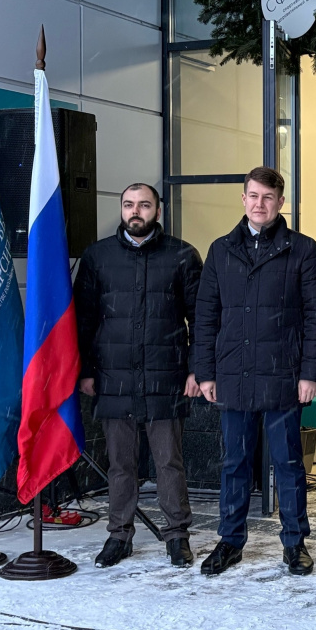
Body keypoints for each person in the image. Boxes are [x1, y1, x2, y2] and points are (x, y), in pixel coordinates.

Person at [193, 166, 316, 576]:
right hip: (233, 375)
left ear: (280, 202)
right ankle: (230, 541)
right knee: (234, 463)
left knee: (288, 463)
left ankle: (295, 543)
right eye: (253, 196)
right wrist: (205, 372)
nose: (259, 204)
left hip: (283, 376)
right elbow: (206, 317)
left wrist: (310, 373)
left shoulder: (303, 250)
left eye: (268, 197)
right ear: (243, 199)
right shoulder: (221, 250)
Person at [75, 183, 203, 568]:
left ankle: (177, 536)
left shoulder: (182, 255)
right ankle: (119, 535)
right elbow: (83, 320)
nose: (136, 211)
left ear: (157, 212)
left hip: (166, 377)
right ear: (121, 209)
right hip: (113, 378)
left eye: (144, 205)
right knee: (120, 464)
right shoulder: (97, 257)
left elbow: (200, 320)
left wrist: (197, 369)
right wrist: (85, 371)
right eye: (129, 204)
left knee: (169, 463)